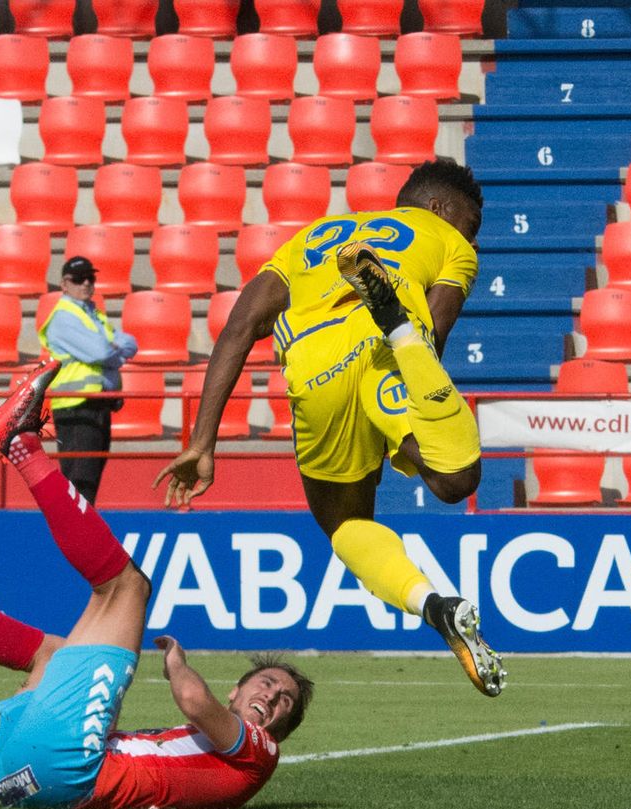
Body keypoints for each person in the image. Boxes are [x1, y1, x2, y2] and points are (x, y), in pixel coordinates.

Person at [0, 361, 311, 809]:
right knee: (50, 655)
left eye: (283, 701)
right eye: (269, 684)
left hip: (68, 771)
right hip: (15, 778)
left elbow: (193, 700)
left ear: (281, 728)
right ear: (236, 689)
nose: (271, 697)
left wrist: (176, 663)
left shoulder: (260, 750)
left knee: (127, 587)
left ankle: (19, 443)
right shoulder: (213, 753)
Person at [154, 158, 506, 698]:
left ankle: (435, 607)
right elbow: (437, 327)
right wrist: (412, 400)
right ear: (439, 208)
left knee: (343, 527)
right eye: (471, 225)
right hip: (391, 353)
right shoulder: (450, 243)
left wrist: (202, 441)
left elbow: (240, 325)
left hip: (316, 366)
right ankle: (395, 330)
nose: (472, 239)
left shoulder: (313, 236)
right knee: (454, 479)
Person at [39, 255, 138, 504]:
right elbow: (102, 351)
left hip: (97, 405)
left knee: (90, 478)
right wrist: (111, 349)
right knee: (80, 480)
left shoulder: (92, 314)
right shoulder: (63, 317)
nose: (86, 284)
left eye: (90, 278)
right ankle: (77, 536)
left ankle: (81, 532)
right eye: (79, 279)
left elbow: (130, 343)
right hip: (75, 407)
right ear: (64, 283)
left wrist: (108, 348)